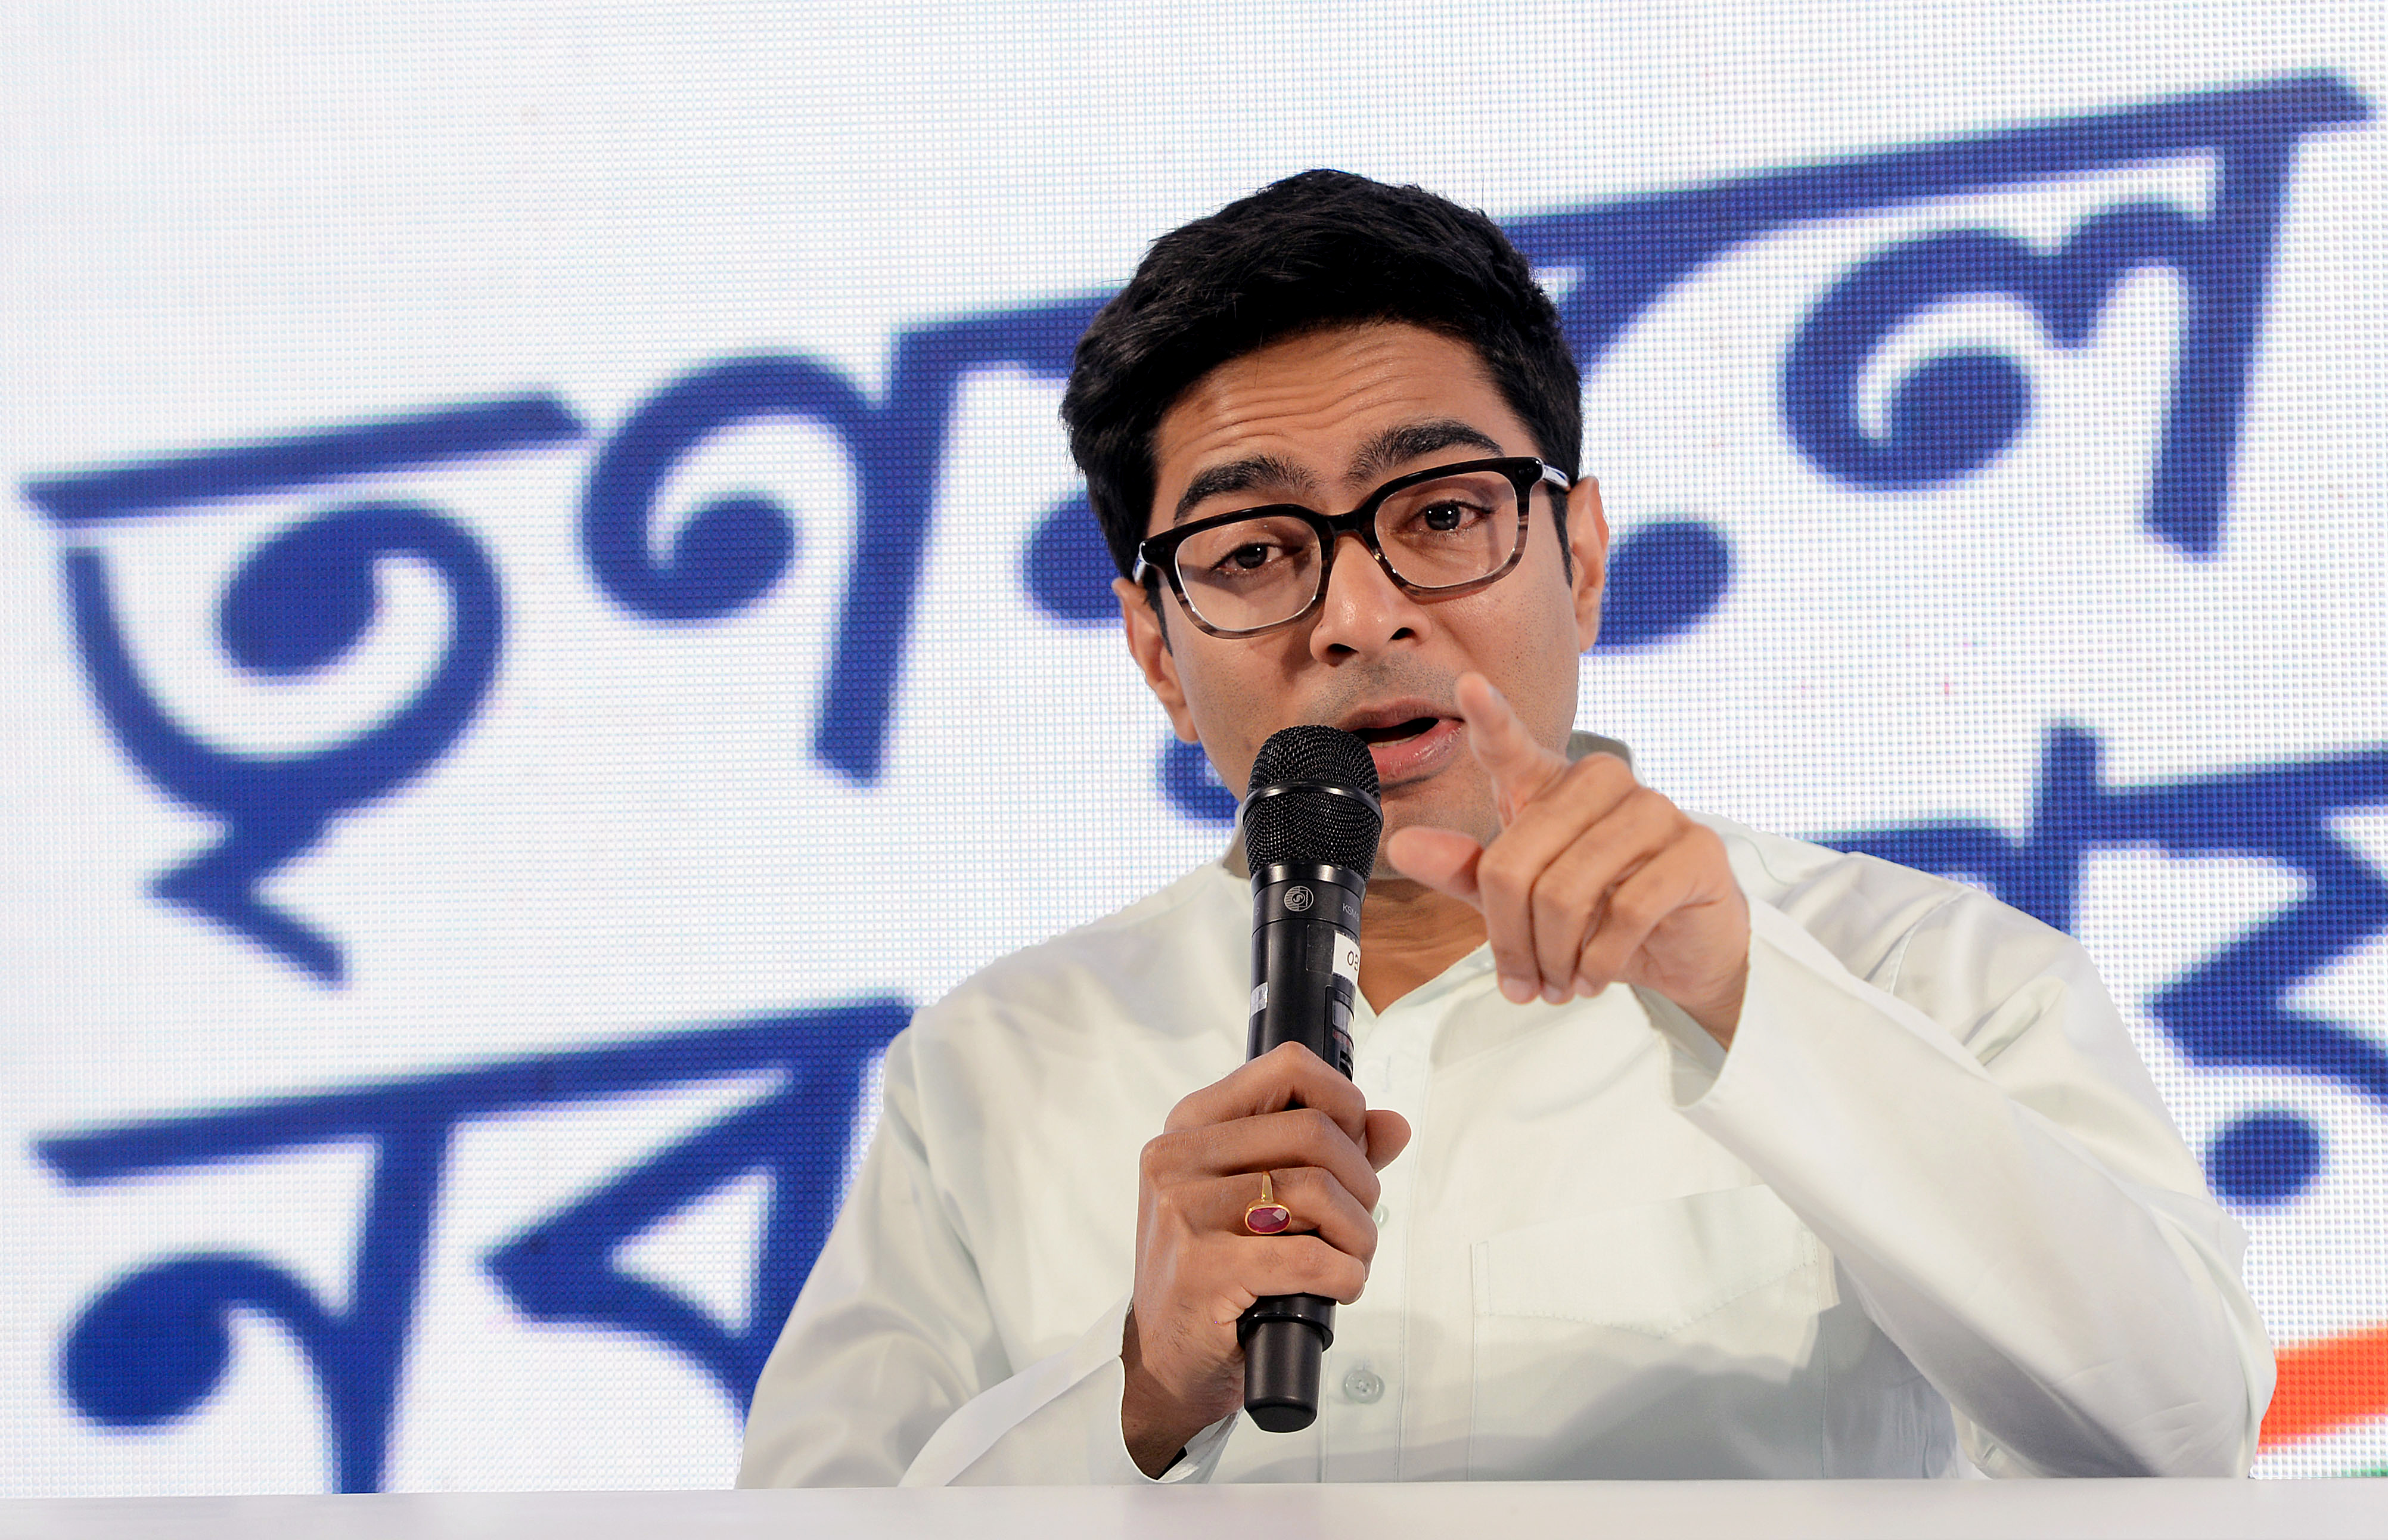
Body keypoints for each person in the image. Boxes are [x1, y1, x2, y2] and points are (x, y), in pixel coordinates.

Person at [737, 170, 2271, 1485]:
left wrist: (1751, 998)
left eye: (1441, 513)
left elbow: (2185, 1439)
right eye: (1256, 551)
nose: (1358, 614)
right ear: (1155, 650)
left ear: (1582, 558)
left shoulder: (1920, 970)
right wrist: (1134, 1399)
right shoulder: (993, 1064)